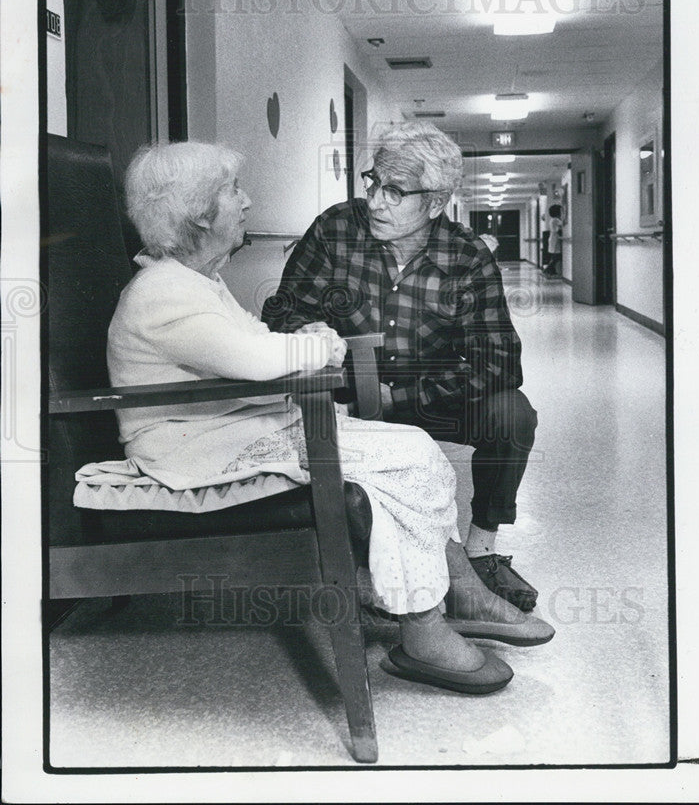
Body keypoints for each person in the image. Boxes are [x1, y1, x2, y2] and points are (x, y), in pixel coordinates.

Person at [73, 141, 553, 699]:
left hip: (260, 421)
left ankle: (439, 597)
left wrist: (329, 356)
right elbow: (259, 353)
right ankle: (426, 622)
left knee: (424, 448)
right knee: (410, 461)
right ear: (202, 215)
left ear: (436, 202)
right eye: (234, 192)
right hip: (203, 446)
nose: (249, 202)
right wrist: (322, 346)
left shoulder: (196, 282)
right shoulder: (165, 292)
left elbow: (257, 341)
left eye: (395, 191)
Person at [264, 122, 542, 613]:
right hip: (344, 400)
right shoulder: (334, 230)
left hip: (428, 399)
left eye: (395, 191)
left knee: (512, 414)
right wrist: (310, 331)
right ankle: (364, 561)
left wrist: (405, 399)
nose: (375, 201)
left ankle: (480, 555)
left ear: (435, 203)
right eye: (373, 183)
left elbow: (499, 359)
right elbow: (283, 312)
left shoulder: (466, 255)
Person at [544, 204, 563, 278]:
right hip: (555, 239)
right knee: (556, 256)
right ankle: (547, 270)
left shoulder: (552, 220)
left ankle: (552, 271)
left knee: (554, 256)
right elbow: (563, 224)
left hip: (553, 238)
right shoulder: (556, 220)